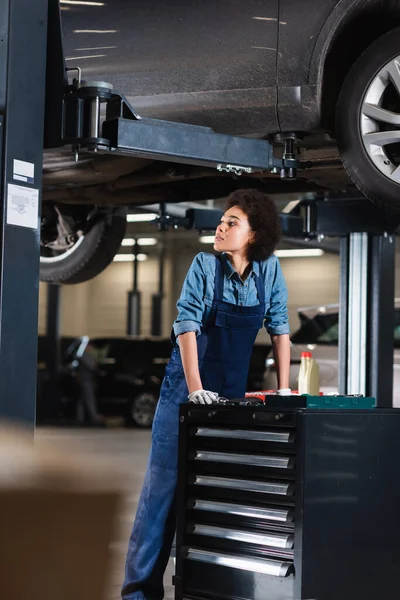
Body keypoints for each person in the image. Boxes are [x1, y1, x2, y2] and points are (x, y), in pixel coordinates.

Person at [121, 188, 291, 600]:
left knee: (212, 494)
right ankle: (139, 593)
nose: (221, 226)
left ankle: (204, 589)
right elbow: (186, 328)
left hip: (229, 397)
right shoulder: (203, 266)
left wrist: (284, 386)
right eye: (222, 220)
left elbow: (280, 327)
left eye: (233, 222)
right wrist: (196, 389)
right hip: (186, 392)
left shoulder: (270, 271)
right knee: (162, 493)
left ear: (254, 235)